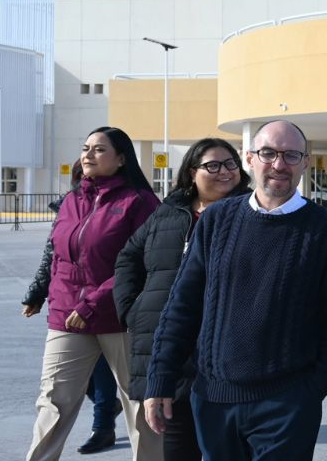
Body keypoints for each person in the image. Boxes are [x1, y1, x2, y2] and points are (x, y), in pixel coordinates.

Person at [143, 120, 327, 461]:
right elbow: (181, 307)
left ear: (305, 161)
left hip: (286, 404)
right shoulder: (216, 220)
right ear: (249, 158)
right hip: (214, 402)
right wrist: (160, 379)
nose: (279, 164)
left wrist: (314, 388)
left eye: (291, 155)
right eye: (268, 153)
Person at [26, 127, 162, 461]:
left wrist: (94, 302)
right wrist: (45, 295)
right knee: (52, 403)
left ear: (120, 159)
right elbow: (56, 257)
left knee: (139, 405)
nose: (88, 154)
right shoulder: (72, 201)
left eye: (99, 149)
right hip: (67, 317)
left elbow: (143, 264)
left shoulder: (140, 202)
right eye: (86, 147)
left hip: (121, 317)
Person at [114, 138, 251, 461]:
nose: (224, 172)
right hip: (170, 353)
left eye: (230, 164)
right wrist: (133, 311)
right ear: (191, 172)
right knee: (177, 448)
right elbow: (127, 258)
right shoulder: (168, 213)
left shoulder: (250, 213)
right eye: (212, 165)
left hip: (225, 353)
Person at [23, 160, 124, 455]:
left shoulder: (129, 204)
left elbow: (132, 261)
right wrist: (37, 293)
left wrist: (99, 299)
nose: (84, 177)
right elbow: (51, 257)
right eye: (79, 174)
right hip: (69, 309)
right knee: (67, 386)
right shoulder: (69, 207)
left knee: (104, 374)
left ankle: (103, 427)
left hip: (111, 309)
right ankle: (107, 411)